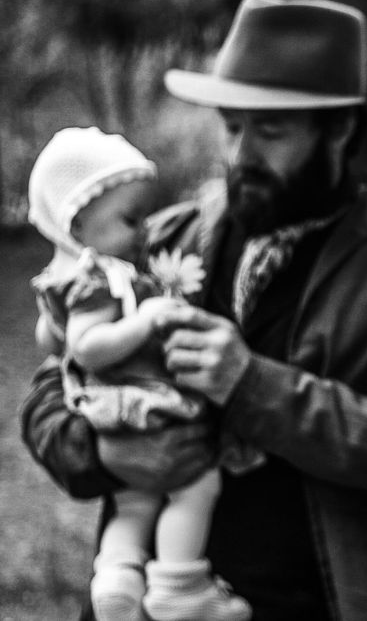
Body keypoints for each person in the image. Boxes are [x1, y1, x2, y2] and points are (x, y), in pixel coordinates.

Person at [22, 0, 367, 621]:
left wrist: (253, 385)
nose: (240, 154)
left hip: (318, 603)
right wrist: (99, 451)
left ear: (341, 129)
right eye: (232, 126)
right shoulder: (162, 236)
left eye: (269, 131)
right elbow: (50, 391)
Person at [27, 126, 253, 621]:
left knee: (134, 504)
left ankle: (118, 579)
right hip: (140, 410)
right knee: (196, 485)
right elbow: (86, 349)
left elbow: (54, 341)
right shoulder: (99, 279)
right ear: (79, 224)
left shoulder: (73, 278)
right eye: (130, 218)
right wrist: (144, 320)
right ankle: (180, 583)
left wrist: (60, 325)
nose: (146, 229)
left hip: (115, 414)